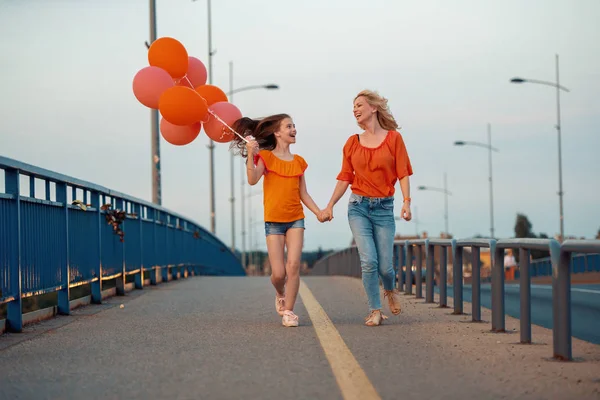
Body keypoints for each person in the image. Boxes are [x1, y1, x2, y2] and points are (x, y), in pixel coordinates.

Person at [320, 90, 413, 326]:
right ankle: (375, 310)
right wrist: (330, 205)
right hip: (358, 207)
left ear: (373, 108)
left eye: (359, 104)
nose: (355, 109)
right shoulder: (352, 143)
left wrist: (406, 202)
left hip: (384, 209)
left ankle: (390, 290)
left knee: (386, 267)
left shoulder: (393, 139)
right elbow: (344, 177)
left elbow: (402, 172)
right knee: (369, 261)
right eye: (353, 107)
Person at [231, 114, 323, 327]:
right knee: (279, 274)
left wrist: (318, 212)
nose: (294, 129)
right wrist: (250, 155)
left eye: (294, 126)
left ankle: (289, 311)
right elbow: (253, 180)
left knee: (293, 266)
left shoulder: (299, 162)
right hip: (273, 221)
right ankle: (279, 292)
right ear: (277, 132)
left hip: (295, 219)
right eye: (289, 126)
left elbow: (304, 194)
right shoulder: (266, 157)